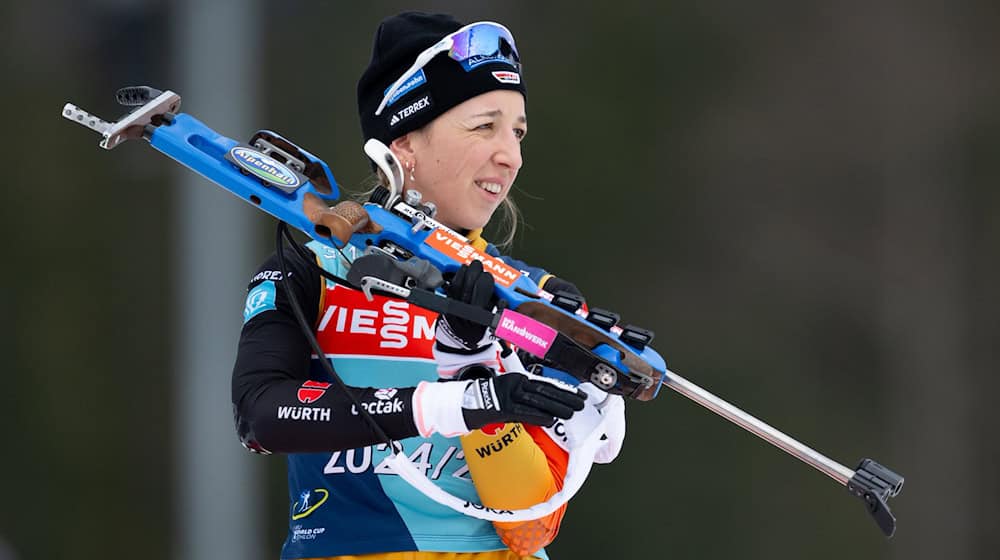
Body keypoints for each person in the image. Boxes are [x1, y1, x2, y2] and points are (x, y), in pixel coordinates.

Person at [232, 12, 625, 560]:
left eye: (518, 131)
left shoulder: (533, 299)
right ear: (405, 142)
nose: (509, 154)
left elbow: (531, 525)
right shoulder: (316, 268)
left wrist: (474, 365)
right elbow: (260, 415)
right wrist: (457, 401)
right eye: (484, 125)